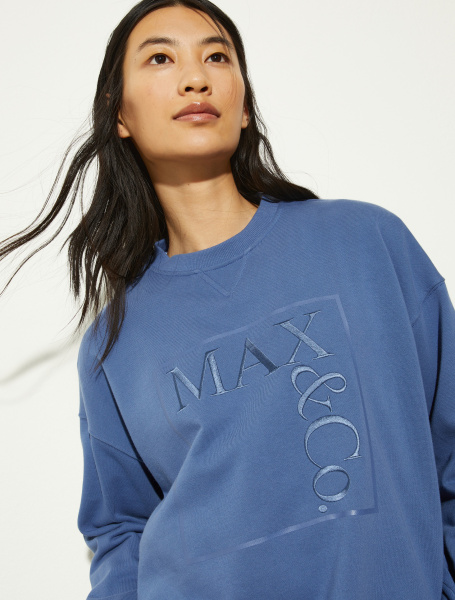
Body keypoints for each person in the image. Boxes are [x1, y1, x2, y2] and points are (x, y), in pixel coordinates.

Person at [1, 0, 454, 598]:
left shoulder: (365, 242)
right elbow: (120, 532)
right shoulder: (114, 341)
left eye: (217, 56)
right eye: (160, 59)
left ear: (243, 106)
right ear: (120, 114)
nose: (196, 76)